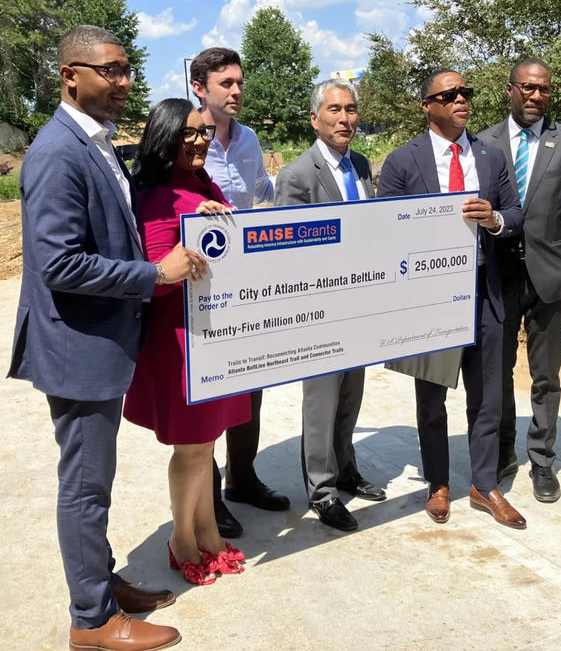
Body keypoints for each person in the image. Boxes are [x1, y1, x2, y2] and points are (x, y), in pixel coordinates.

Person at [9, 26, 204, 651]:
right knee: (86, 485)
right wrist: (154, 274)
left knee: (96, 480)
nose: (123, 83)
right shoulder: (57, 153)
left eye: (126, 70)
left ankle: (103, 582)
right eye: (109, 72)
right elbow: (58, 263)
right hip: (77, 347)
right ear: (71, 75)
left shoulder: (94, 143)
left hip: (98, 340)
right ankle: (91, 621)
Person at [378, 70, 526, 529]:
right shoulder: (403, 162)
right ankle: (438, 482)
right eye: (450, 94)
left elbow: (517, 213)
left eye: (466, 93)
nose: (461, 99)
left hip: (484, 292)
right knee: (431, 396)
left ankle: (484, 484)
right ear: (427, 104)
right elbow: (385, 227)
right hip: (430, 299)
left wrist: (496, 219)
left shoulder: (490, 155)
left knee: (487, 395)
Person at [123, 98, 251, 585]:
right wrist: (194, 230)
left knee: (206, 443)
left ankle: (207, 533)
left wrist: (219, 220)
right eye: (189, 133)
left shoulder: (205, 185)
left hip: (214, 331)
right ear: (166, 137)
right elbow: (156, 274)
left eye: (204, 132)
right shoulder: (154, 195)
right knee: (192, 447)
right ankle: (182, 539)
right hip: (179, 340)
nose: (200, 140)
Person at [477, 58, 561, 503]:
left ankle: (543, 459)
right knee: (497, 372)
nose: (535, 96)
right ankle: (503, 451)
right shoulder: (483, 143)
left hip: (553, 276)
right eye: (528, 88)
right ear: (510, 89)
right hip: (498, 278)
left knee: (545, 375)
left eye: (544, 90)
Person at [274, 78, 386, 532]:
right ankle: (322, 491)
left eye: (351, 109)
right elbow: (286, 249)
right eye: (335, 110)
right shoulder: (297, 175)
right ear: (315, 118)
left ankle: (347, 469)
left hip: (357, 301)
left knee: (351, 394)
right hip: (319, 306)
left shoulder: (360, 165)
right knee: (321, 401)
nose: (345, 118)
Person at [188, 47, 288, 540]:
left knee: (252, 385)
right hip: (202, 288)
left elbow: (261, 195)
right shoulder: (186, 140)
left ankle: (244, 478)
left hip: (249, 285)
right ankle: (208, 495)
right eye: (225, 83)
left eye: (239, 82)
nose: (236, 91)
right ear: (199, 88)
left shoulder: (249, 140)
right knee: (212, 392)